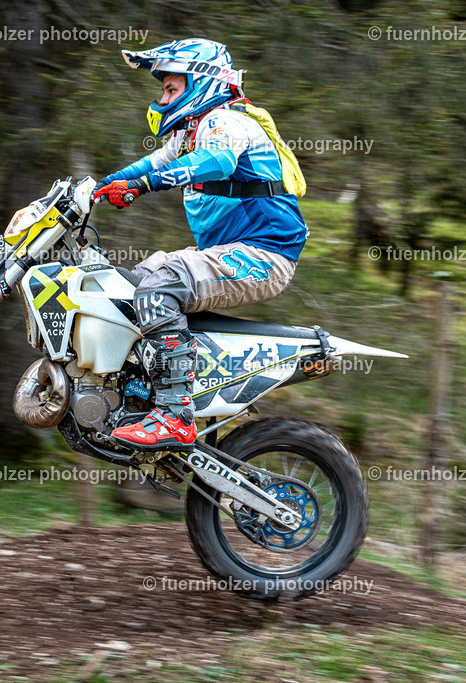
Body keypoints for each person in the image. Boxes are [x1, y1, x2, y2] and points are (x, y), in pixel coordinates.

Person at [93, 38, 308, 451]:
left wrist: (141, 186)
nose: (162, 100)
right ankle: (140, 396)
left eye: (171, 89)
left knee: (159, 288)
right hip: (228, 253)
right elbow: (149, 163)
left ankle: (175, 415)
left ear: (201, 83)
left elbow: (217, 162)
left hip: (263, 256)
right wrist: (95, 188)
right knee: (131, 284)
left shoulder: (227, 121)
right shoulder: (191, 133)